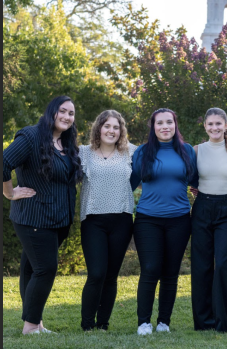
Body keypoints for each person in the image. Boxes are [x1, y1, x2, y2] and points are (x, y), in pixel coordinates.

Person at [3, 95, 82, 335]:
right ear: (51, 112)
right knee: (45, 268)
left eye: (71, 113)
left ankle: (36, 323)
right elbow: (3, 162)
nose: (67, 117)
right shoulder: (30, 136)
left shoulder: (66, 143)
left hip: (58, 219)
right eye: (63, 111)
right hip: (34, 217)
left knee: (31, 269)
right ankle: (30, 327)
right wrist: (9, 193)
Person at [131, 108, 197, 335]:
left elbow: (197, 181)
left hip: (179, 220)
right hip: (147, 220)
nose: (165, 126)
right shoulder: (142, 152)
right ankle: (144, 322)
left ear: (175, 125)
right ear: (153, 126)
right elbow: (128, 183)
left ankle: (163, 322)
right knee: (150, 268)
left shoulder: (187, 151)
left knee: (170, 272)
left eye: (169, 122)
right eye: (160, 123)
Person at [79, 110, 137, 331]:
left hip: (121, 220)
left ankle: (103, 323)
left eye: (116, 127)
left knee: (111, 275)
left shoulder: (131, 153)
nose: (111, 131)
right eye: (107, 126)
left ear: (121, 131)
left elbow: (140, 176)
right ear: (98, 128)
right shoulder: (83, 153)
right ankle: (87, 324)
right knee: (96, 273)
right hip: (93, 220)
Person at [191, 107, 227, 333]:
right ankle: (203, 321)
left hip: (226, 210)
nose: (214, 128)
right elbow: (191, 179)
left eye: (218, 124)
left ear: (225, 125)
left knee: (221, 265)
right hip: (201, 208)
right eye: (210, 124)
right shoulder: (197, 150)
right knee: (201, 265)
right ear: (205, 127)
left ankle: (221, 321)